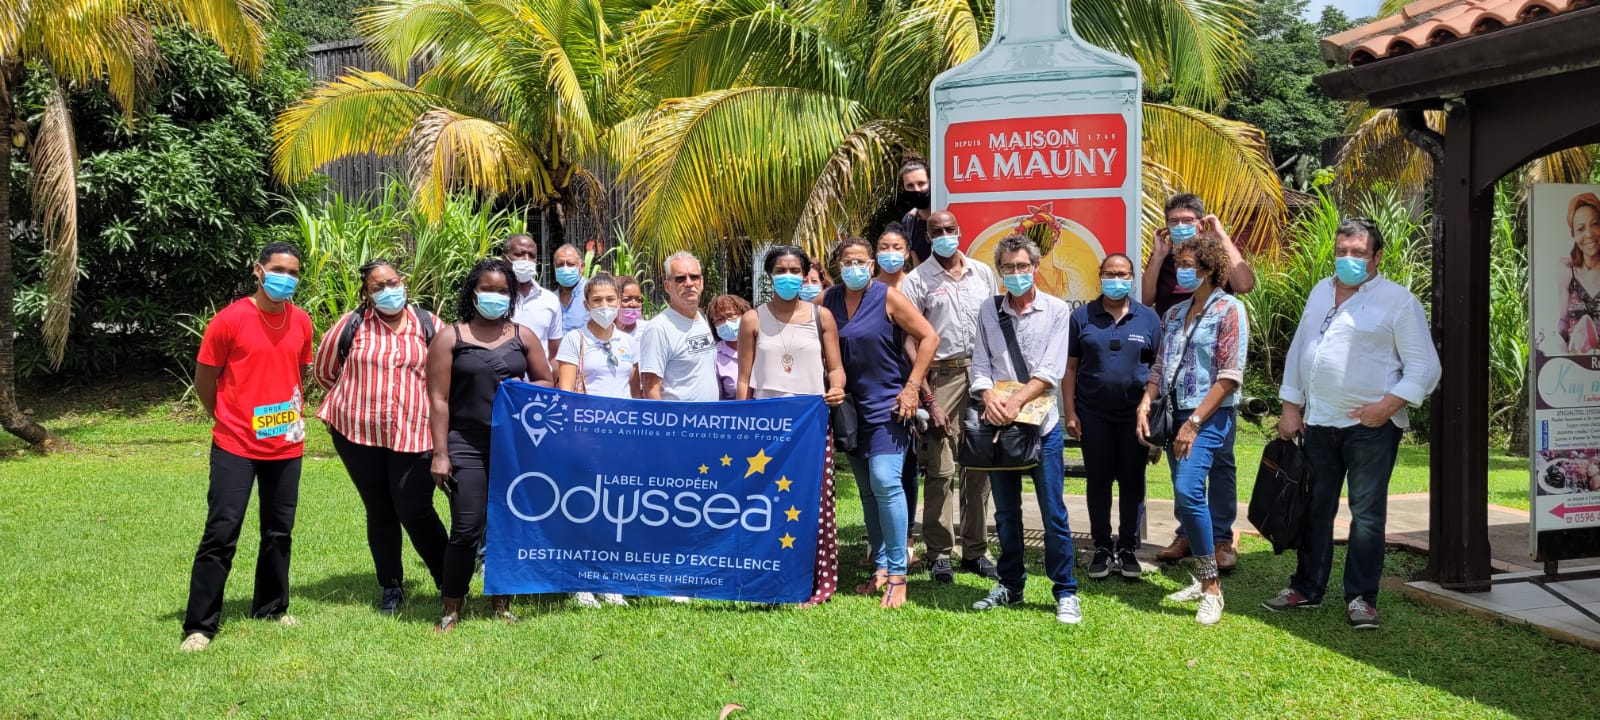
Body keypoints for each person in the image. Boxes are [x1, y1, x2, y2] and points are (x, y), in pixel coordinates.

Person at [1267, 219, 1440, 630]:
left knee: (1366, 516)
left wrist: (1386, 406)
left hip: (1372, 429)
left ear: (1377, 257)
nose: (1348, 259)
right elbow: (1299, 351)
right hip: (1318, 424)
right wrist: (1291, 407)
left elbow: (1425, 367)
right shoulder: (1320, 291)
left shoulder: (1398, 302)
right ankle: (1306, 587)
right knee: (1314, 508)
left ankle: (1362, 598)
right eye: (1342, 251)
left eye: (1359, 253)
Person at [180, 242, 315, 652]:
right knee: (222, 531)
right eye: (278, 270)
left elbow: (300, 372)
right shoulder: (229, 321)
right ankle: (200, 625)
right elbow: (206, 380)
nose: (286, 279)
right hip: (235, 444)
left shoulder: (302, 321)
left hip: (286, 446)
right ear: (258, 270)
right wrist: (225, 417)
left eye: (293, 272)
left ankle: (271, 607)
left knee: (279, 531)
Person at [312, 259, 448, 615]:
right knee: (380, 510)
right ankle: (391, 586)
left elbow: (449, 377)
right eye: (377, 286)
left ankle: (449, 579)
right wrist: (353, 402)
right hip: (358, 433)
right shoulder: (351, 325)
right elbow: (325, 372)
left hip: (415, 432)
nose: (388, 290)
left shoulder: (430, 324)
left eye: (392, 282)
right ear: (367, 293)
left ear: (403, 282)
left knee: (415, 508)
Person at [426, 258, 555, 632]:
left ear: (511, 296)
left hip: (513, 446)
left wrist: (521, 389)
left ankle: (502, 602)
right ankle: (452, 605)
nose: (495, 296)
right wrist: (440, 453)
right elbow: (438, 400)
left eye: (503, 291)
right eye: (488, 289)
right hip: (465, 442)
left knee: (507, 526)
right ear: (473, 292)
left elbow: (546, 383)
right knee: (467, 527)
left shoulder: (523, 336)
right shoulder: (452, 336)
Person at [965, 235, 1080, 623]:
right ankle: (1011, 585)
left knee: (1054, 514)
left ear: (1035, 267)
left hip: (1041, 427)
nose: (1016, 274)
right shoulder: (988, 309)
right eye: (1008, 268)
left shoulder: (1057, 310)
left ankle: (1065, 591)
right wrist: (989, 398)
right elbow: (980, 364)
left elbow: (1051, 370)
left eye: (1022, 267)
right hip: (999, 426)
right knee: (1006, 514)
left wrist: (1016, 401)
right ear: (999, 272)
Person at [1137, 236, 1248, 626]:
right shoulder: (1173, 314)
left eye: (1189, 264)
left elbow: (1229, 376)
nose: (1182, 271)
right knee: (1185, 498)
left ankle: (1211, 587)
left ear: (1210, 268)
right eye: (1179, 263)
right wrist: (1146, 400)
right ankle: (1201, 577)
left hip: (1209, 415)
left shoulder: (1229, 310)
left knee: (1187, 490)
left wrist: (1195, 421)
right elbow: (1159, 367)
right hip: (1173, 413)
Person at [822, 237, 939, 609]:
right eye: (847, 261)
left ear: (872, 265)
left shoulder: (888, 297)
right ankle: (881, 569)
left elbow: (929, 337)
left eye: (861, 260)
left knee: (886, 482)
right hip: (848, 410)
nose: (854, 267)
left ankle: (898, 574)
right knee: (868, 491)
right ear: (836, 266)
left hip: (890, 406)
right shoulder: (827, 301)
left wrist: (912, 388)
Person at [737, 246, 848, 607]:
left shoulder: (822, 317)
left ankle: (818, 580)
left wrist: (837, 388)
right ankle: (769, 578)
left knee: (813, 502)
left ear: (805, 275)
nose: (788, 277)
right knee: (768, 502)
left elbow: (835, 367)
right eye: (780, 270)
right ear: (769, 277)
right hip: (767, 428)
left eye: (795, 270)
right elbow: (744, 379)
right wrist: (744, 421)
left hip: (810, 427)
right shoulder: (753, 319)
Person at [900, 209, 999, 583]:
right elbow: (910, 341)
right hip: (940, 376)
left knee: (979, 468)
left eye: (949, 229)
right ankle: (940, 551)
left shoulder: (983, 273)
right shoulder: (916, 280)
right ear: (927, 237)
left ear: (960, 231)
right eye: (935, 231)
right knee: (940, 469)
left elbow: (994, 325)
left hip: (981, 373)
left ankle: (976, 550)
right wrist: (928, 398)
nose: (944, 235)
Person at [1064, 253, 1162, 580]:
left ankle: (1129, 548)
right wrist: (1070, 412)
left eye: (1122, 274)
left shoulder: (1148, 318)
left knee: (1133, 482)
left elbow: (1157, 370)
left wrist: (1150, 409)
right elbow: (1070, 369)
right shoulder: (1082, 317)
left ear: (1132, 278)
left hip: (1136, 416)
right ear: (1100, 276)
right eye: (1110, 273)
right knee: (1099, 481)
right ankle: (1103, 547)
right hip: (1093, 414)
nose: (1116, 279)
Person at [555, 272, 641, 609]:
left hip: (621, 440)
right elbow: (565, 395)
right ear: (587, 304)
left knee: (615, 511)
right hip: (585, 438)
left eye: (610, 300)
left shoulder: (629, 342)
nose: (604, 306)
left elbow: (634, 392)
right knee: (584, 509)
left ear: (619, 303)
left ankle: (609, 578)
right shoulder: (573, 340)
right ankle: (579, 580)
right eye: (597, 300)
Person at [873, 222, 924, 568]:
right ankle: (880, 543)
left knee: (910, 468)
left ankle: (906, 542)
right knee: (884, 469)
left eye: (896, 247)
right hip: (880, 388)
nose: (890, 253)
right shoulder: (866, 288)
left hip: (918, 383)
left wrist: (919, 388)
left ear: (907, 253)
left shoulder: (918, 285)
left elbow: (927, 337)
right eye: (883, 247)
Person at [640, 251, 719, 402]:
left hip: (708, 421)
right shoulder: (658, 329)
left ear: (701, 282)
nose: (689, 283)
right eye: (680, 278)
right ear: (667, 286)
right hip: (678, 423)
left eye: (694, 277)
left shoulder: (702, 318)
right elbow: (651, 387)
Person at [1549, 193, 1600, 354]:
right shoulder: (1566, 271)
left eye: (1595, 224)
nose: (1589, 234)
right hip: (1575, 368)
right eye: (1581, 228)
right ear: (1573, 234)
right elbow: (1564, 322)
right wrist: (1555, 344)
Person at [503, 233, 562, 361]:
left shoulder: (550, 300)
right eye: (519, 254)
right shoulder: (495, 299)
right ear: (505, 258)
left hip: (538, 380)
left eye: (531, 256)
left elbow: (554, 351)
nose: (526, 260)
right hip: (500, 378)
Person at [708, 294, 752, 401]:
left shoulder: (761, 346)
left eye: (731, 315)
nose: (726, 323)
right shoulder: (715, 356)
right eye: (719, 319)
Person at [897, 158, 933, 262]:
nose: (917, 189)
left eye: (921, 183)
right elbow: (917, 263)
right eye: (910, 186)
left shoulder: (948, 215)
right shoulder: (909, 222)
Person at [553, 243, 588, 334]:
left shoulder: (592, 293)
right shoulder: (551, 299)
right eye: (560, 264)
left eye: (570, 264)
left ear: (582, 267)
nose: (565, 268)